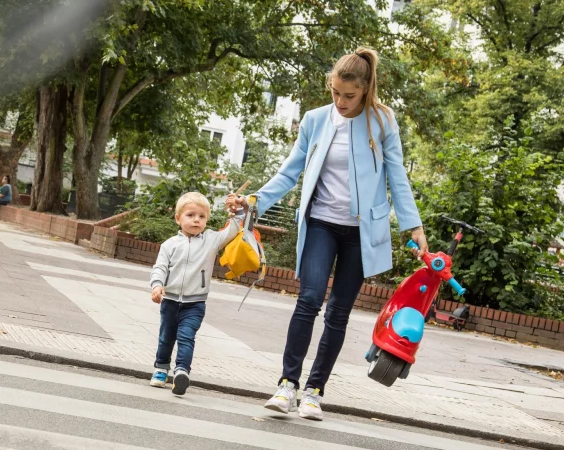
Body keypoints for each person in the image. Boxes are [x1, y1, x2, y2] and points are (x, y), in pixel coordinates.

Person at [228, 47, 428, 421]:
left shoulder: (382, 122)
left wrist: (413, 225)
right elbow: (290, 172)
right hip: (320, 223)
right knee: (309, 299)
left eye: (349, 96)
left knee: (338, 313)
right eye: (335, 92)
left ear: (366, 90)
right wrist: (253, 201)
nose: (340, 101)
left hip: (360, 232)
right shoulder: (315, 120)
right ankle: (287, 385)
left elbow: (397, 177)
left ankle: (314, 392)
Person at [149, 192, 245, 395]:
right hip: (170, 300)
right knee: (166, 337)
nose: (196, 220)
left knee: (186, 336)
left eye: (201, 216)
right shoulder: (169, 245)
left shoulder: (211, 240)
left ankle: (182, 371)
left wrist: (236, 211)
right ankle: (161, 368)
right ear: (178, 218)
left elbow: (233, 230)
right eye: (190, 215)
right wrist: (157, 285)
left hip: (195, 303)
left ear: (206, 220)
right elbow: (160, 268)